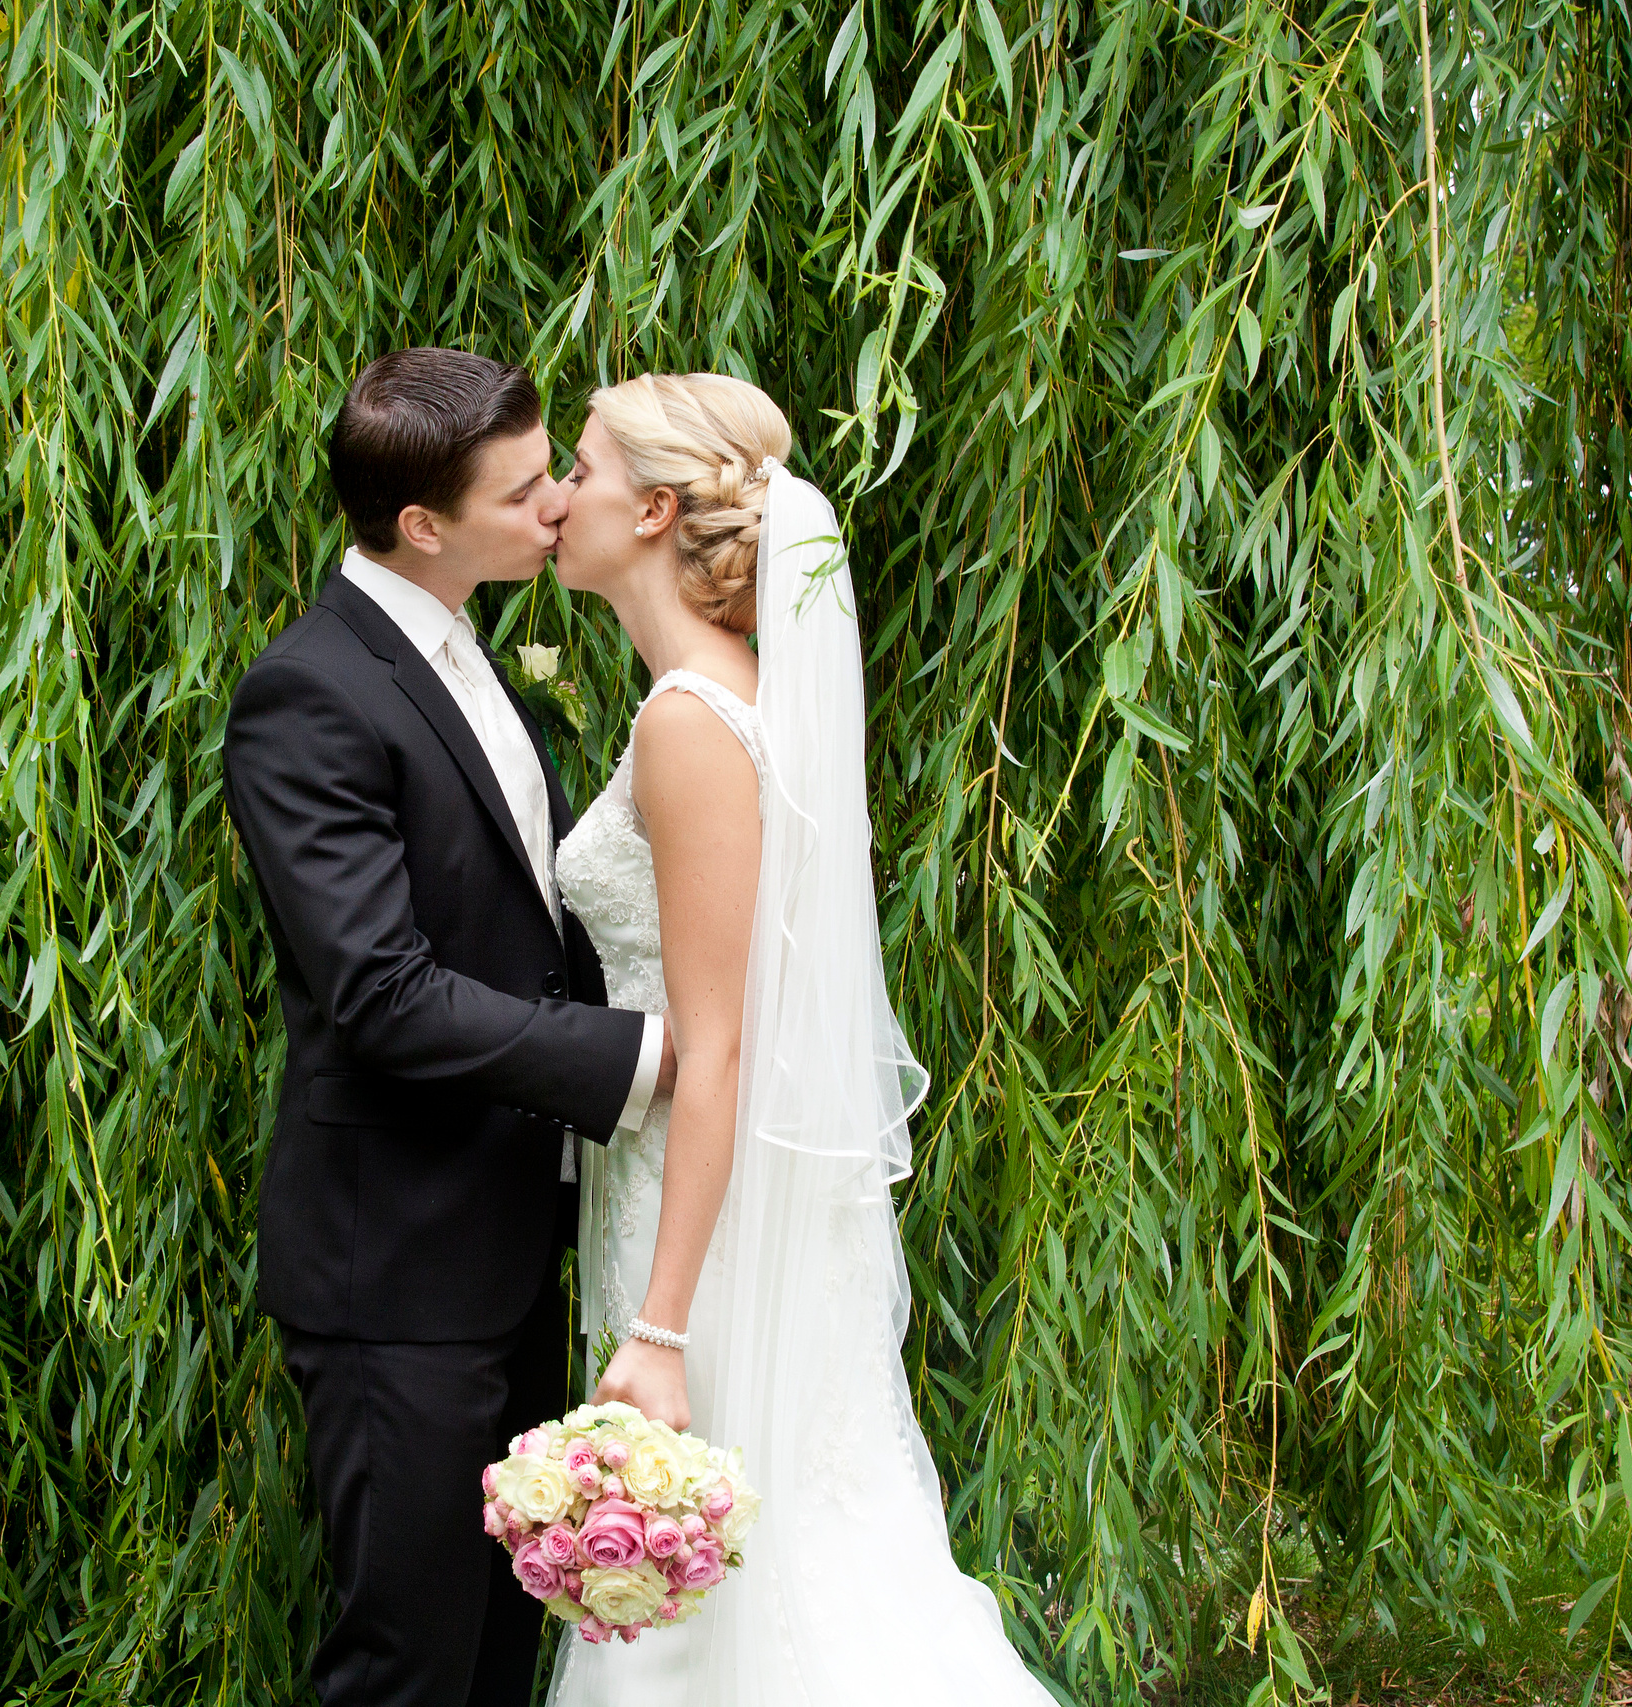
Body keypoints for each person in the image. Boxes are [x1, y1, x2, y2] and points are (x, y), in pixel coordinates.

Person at [545, 373, 1066, 1705]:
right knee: (744, 1584)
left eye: (585, 471)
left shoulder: (690, 722)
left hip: (705, 1240)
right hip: (698, 1208)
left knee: (742, 1598)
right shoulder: (718, 697)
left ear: (656, 510)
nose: (560, 497)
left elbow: (719, 1050)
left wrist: (659, 1332)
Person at [221, 348, 676, 1707]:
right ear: (423, 524)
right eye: (526, 489)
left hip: (501, 1252)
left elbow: (526, 922)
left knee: (491, 1651)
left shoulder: (476, 644)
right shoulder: (310, 697)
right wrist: (640, 1062)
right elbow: (383, 993)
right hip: (396, 1276)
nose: (559, 506)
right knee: (405, 1667)